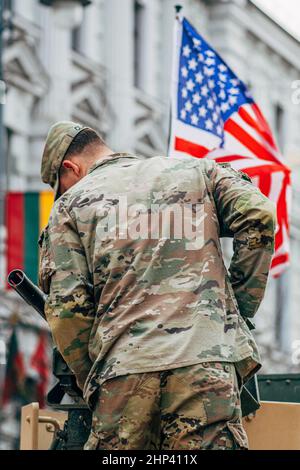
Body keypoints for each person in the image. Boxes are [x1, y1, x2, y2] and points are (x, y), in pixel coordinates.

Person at [39, 121, 276, 450]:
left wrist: (91, 376)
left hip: (122, 376)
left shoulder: (70, 206)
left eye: (60, 185)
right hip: (204, 365)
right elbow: (259, 214)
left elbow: (67, 310)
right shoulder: (198, 172)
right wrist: (238, 308)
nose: (63, 193)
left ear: (70, 167)